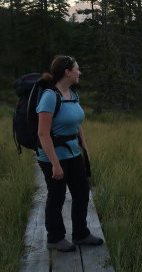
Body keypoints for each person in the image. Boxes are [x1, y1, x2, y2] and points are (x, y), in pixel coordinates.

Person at [37, 55, 103, 252]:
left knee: (82, 193)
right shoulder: (50, 96)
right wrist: (55, 164)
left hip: (74, 154)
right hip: (53, 157)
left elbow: (77, 123)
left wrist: (85, 148)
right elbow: (42, 133)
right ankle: (55, 238)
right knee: (56, 196)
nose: (79, 72)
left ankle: (81, 234)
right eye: (77, 69)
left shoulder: (72, 94)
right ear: (67, 72)